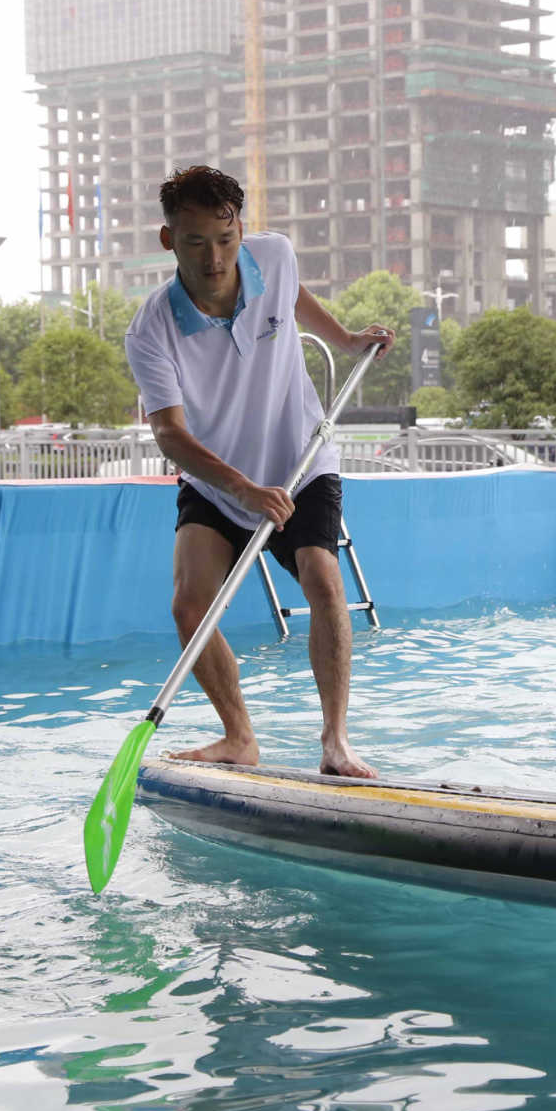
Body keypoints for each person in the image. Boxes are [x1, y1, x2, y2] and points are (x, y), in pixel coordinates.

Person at [123, 165, 394, 778]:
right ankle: (239, 737)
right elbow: (170, 433)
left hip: (299, 461)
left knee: (323, 580)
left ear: (241, 228)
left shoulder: (273, 254)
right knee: (189, 608)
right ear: (169, 241)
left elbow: (291, 294)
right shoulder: (151, 330)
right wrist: (241, 488)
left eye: (225, 239)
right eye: (195, 243)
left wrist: (348, 340)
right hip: (220, 482)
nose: (215, 258)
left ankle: (336, 742)